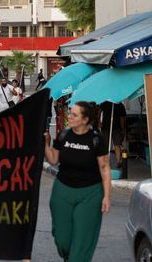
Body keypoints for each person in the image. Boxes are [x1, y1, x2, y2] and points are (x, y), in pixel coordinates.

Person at [44, 101, 111, 262]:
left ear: (85, 119)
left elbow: (104, 168)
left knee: (82, 240)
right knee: (62, 238)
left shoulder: (96, 139)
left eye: (74, 115)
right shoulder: (63, 135)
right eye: (70, 113)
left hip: (90, 193)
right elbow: (53, 159)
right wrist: (45, 143)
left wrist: (107, 196)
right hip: (63, 190)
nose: (69, 117)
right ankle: (70, 257)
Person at [99, 101, 127, 168]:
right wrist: (99, 121)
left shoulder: (120, 105)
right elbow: (100, 111)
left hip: (116, 128)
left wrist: (122, 128)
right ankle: (105, 161)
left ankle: (118, 162)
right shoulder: (105, 103)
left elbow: (122, 118)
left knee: (117, 144)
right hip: (105, 127)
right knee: (105, 145)